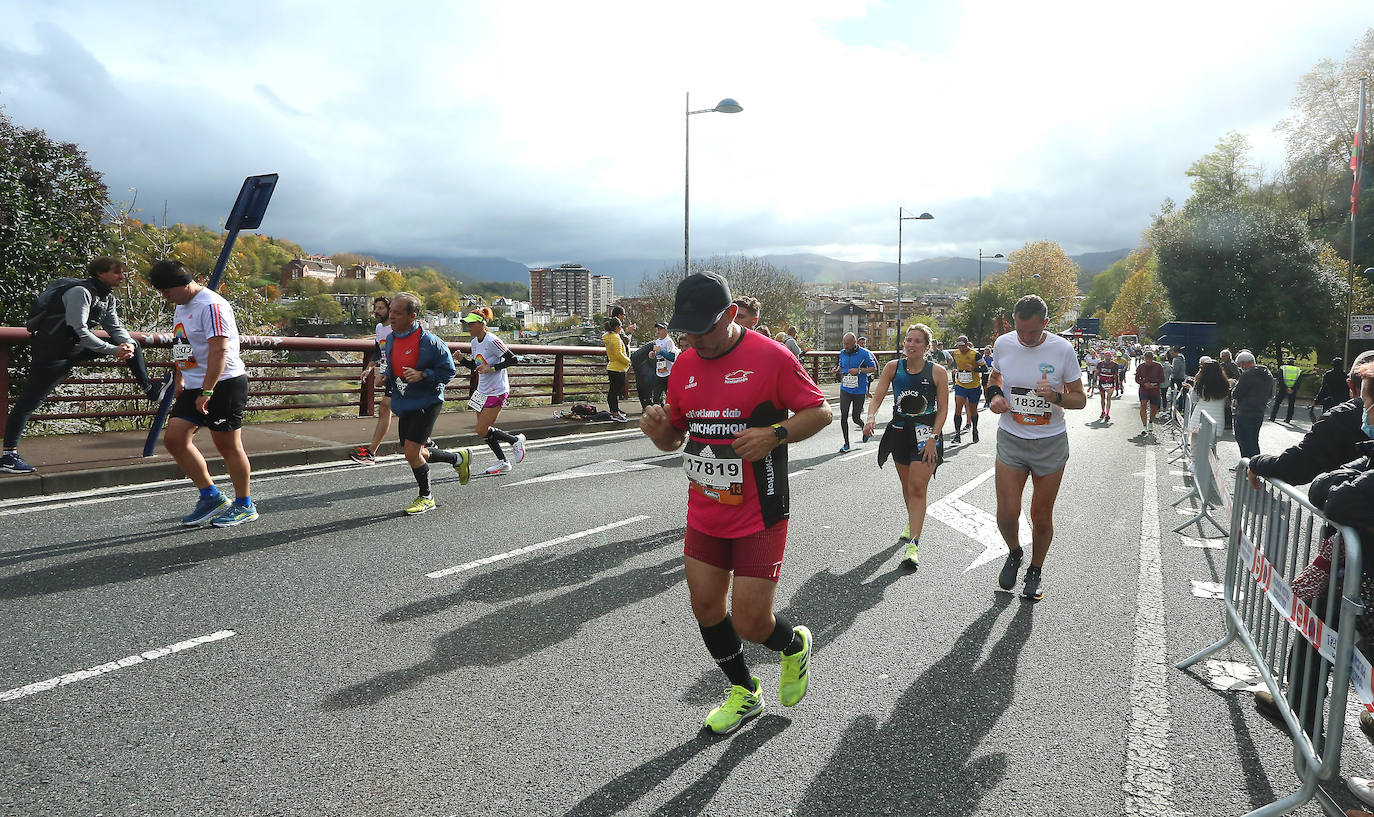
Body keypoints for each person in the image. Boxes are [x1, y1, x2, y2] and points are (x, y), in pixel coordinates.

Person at [639, 272, 832, 736]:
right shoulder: (684, 363)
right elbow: (675, 438)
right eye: (686, 329)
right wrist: (657, 430)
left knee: (750, 621)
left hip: (759, 508)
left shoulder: (771, 357)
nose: (693, 339)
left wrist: (774, 434)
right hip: (705, 506)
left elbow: (820, 410)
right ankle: (745, 692)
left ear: (729, 316)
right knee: (706, 606)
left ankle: (792, 646)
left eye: (703, 328)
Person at [2, 257, 166, 475]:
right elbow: (80, 330)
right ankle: (8, 455)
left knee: (133, 343)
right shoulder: (80, 292)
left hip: (74, 348)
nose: (122, 276)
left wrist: (125, 344)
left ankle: (150, 390)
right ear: (100, 273)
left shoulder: (106, 296)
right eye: (117, 272)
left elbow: (113, 326)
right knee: (30, 402)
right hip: (53, 352)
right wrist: (113, 350)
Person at [986, 295, 1085, 599]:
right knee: (1006, 513)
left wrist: (1055, 397)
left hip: (1050, 442)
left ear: (1045, 323)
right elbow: (995, 376)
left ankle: (1035, 570)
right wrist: (994, 397)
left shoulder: (1062, 349)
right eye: (1020, 330)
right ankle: (1015, 552)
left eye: (1031, 331)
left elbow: (1080, 399)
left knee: (1041, 515)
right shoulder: (1004, 344)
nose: (1026, 338)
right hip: (1012, 437)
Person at [148, 260, 258, 526]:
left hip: (224, 383)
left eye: (167, 291)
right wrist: (180, 377)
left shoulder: (212, 305)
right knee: (175, 439)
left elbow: (219, 350)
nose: (165, 296)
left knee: (227, 445)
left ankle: (245, 504)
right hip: (195, 384)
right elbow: (181, 342)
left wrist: (207, 390)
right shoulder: (182, 305)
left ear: (184, 283)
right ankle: (211, 496)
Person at [375, 293, 470, 513]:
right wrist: (386, 375)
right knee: (417, 451)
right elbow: (392, 364)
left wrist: (423, 375)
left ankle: (426, 497)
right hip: (405, 400)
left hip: (427, 401)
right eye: (391, 312)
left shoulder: (430, 342)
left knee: (411, 451)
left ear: (413, 316)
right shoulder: (391, 338)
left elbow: (449, 372)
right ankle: (457, 458)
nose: (392, 316)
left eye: (398, 313)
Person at [863, 323, 948, 566]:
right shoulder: (893, 367)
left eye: (917, 341)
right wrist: (870, 417)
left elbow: (943, 409)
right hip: (899, 432)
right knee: (906, 486)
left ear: (927, 346)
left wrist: (934, 437)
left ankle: (913, 546)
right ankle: (913, 520)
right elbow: (878, 397)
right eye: (908, 340)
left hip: (926, 435)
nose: (911, 344)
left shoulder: (938, 372)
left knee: (918, 487)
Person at [456, 311, 527, 474]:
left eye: (472, 324)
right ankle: (503, 461)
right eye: (468, 324)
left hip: (497, 390)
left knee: (481, 429)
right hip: (482, 391)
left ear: (482, 324)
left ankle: (515, 441)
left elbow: (513, 359)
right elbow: (477, 366)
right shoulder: (474, 342)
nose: (469, 327)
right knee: (484, 430)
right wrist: (463, 360)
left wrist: (492, 367)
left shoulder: (493, 340)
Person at [350, 295, 395, 465]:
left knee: (386, 408)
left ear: (390, 310)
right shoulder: (379, 328)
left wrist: (386, 374)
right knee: (392, 409)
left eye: (381, 308)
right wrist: (369, 368)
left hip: (399, 374)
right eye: (375, 308)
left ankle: (371, 452)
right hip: (390, 374)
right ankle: (426, 441)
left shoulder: (396, 328)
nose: (376, 311)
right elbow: (378, 350)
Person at [833, 332, 878, 452]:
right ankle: (846, 444)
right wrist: (837, 369)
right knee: (843, 416)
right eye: (844, 343)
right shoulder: (842, 353)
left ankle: (864, 427)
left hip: (859, 390)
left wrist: (859, 370)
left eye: (848, 344)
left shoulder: (864, 353)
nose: (845, 346)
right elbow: (841, 366)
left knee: (855, 418)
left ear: (854, 342)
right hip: (845, 389)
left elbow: (873, 368)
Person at [1232, 350, 1275, 459]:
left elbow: (1236, 393)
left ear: (1244, 363)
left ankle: (1246, 465)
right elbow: (1270, 394)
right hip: (1259, 411)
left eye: (1240, 365)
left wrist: (1234, 386)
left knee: (1242, 439)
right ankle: (1255, 464)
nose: (1240, 368)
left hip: (1245, 411)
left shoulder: (1247, 374)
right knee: (1253, 440)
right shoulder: (1267, 374)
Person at [1187, 357, 1230, 450]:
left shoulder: (1201, 383)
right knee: (1211, 447)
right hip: (1217, 419)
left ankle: (1194, 463)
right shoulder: (1225, 384)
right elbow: (1226, 402)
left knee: (1195, 444)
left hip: (1199, 417)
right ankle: (1209, 464)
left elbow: (1194, 399)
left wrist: (1195, 381)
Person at [948, 335, 985, 444]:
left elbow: (985, 368)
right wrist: (955, 370)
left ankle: (975, 430)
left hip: (974, 386)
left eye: (963, 346)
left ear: (967, 344)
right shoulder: (956, 353)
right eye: (959, 347)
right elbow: (956, 364)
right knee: (958, 408)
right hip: (961, 385)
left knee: (973, 410)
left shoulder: (975, 355)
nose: (961, 349)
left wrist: (973, 369)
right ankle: (957, 435)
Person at [602, 317, 631, 422]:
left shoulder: (609, 337)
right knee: (615, 391)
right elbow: (619, 354)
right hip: (618, 368)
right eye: (620, 326)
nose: (621, 328)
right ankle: (615, 412)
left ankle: (614, 410)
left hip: (612, 367)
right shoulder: (615, 338)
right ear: (617, 327)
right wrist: (628, 361)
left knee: (613, 391)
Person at [1134, 350, 1167, 434]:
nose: (1148, 361)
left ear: (1153, 358)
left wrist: (1153, 383)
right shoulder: (1141, 366)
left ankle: (1151, 422)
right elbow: (1137, 379)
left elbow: (1162, 379)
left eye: (1150, 359)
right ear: (1144, 358)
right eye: (1146, 359)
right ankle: (1144, 426)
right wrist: (1144, 383)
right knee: (1143, 404)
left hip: (1155, 389)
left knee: (1154, 408)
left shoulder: (1158, 366)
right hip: (1144, 389)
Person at [651, 321, 679, 407]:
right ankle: (657, 414)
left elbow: (672, 357)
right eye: (657, 329)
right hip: (660, 372)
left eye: (660, 329)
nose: (658, 331)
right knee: (656, 396)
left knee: (669, 396)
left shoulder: (669, 341)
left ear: (666, 330)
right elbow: (657, 355)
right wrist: (652, 354)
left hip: (669, 373)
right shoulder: (657, 341)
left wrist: (661, 352)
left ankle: (673, 412)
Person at [1271, 356, 1303, 423]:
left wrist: (1285, 388)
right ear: (1293, 362)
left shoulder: (1283, 368)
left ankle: (1272, 417)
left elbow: (1280, 379)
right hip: (1293, 390)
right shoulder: (1298, 370)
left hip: (1283, 388)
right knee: (1291, 404)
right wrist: (1293, 388)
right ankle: (1288, 419)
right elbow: (1299, 381)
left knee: (1277, 403)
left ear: (1287, 361)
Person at [1095, 348, 1123, 421]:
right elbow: (1096, 373)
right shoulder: (1100, 364)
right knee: (1102, 398)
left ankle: (1107, 413)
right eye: (1106, 356)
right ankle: (1103, 411)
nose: (1107, 357)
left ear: (1111, 356)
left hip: (1110, 383)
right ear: (1104, 356)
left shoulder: (1115, 365)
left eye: (1109, 356)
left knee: (1108, 398)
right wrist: (1094, 382)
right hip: (1102, 382)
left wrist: (1118, 384)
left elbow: (1116, 375)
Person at [1219, 349, 1241, 430]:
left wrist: (1230, 381)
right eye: (1222, 357)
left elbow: (1237, 376)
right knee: (1224, 406)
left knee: (1227, 406)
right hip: (1223, 387)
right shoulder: (1222, 364)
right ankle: (1225, 422)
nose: (1222, 358)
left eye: (1224, 357)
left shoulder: (1232, 365)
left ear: (1228, 356)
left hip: (1229, 387)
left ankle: (1228, 423)